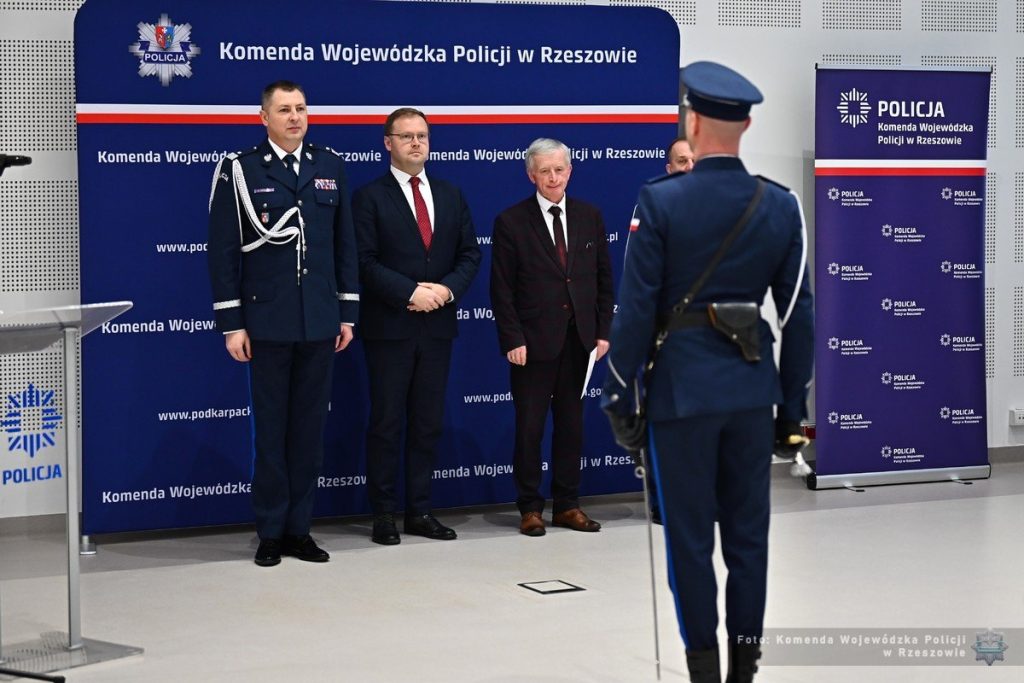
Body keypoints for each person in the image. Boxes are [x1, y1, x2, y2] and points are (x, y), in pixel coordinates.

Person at [602, 61, 814, 682]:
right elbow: (799, 316)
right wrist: (791, 414)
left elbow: (636, 310)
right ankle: (744, 672)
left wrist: (621, 396)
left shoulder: (661, 200)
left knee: (690, 544)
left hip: (681, 397)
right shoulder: (780, 205)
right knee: (749, 543)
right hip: (752, 395)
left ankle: (703, 672)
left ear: (691, 121)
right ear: (746, 124)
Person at [207, 80, 359, 567]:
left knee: (309, 435)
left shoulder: (330, 165)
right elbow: (224, 252)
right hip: (267, 321)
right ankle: (270, 531)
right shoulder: (241, 170)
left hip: (319, 321)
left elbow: (344, 247)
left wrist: (346, 313)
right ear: (263, 117)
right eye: (284, 110)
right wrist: (233, 323)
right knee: (272, 434)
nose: (295, 117)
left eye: (301, 109)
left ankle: (300, 530)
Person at [353, 108, 481, 545]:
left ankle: (420, 511)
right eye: (405, 136)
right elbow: (364, 261)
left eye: (421, 136)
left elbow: (470, 255)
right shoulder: (368, 197)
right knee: (387, 422)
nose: (415, 143)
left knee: (427, 423)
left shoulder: (450, 193)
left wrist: (444, 293)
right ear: (387, 142)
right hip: (390, 326)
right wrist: (410, 293)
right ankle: (384, 515)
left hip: (438, 325)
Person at [490, 138, 614, 537]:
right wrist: (512, 338)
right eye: (545, 171)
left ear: (570, 171)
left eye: (559, 169)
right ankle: (530, 507)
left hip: (580, 343)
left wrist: (602, 333)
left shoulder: (589, 216)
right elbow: (502, 289)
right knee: (529, 428)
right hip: (531, 344)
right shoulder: (511, 221)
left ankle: (567, 504)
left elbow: (604, 280)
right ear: (531, 175)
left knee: (571, 428)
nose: (553, 177)